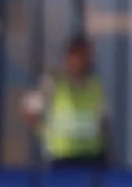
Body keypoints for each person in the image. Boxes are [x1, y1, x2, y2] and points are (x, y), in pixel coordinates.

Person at [22, 35, 110, 170]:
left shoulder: (94, 86)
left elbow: (104, 121)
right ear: (70, 56)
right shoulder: (54, 82)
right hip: (63, 158)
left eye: (88, 56)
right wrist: (46, 134)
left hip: (93, 157)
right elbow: (29, 110)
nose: (86, 60)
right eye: (82, 55)